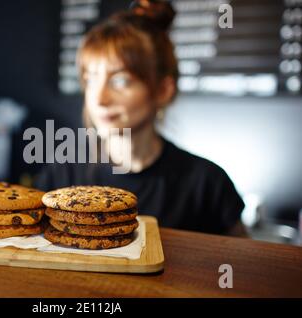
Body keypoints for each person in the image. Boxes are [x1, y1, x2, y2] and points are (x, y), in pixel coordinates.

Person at [34, 0, 245, 236]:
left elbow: (245, 262)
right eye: (91, 79)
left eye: (120, 80)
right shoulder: (62, 175)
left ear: (163, 90)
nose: (99, 99)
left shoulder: (207, 184)